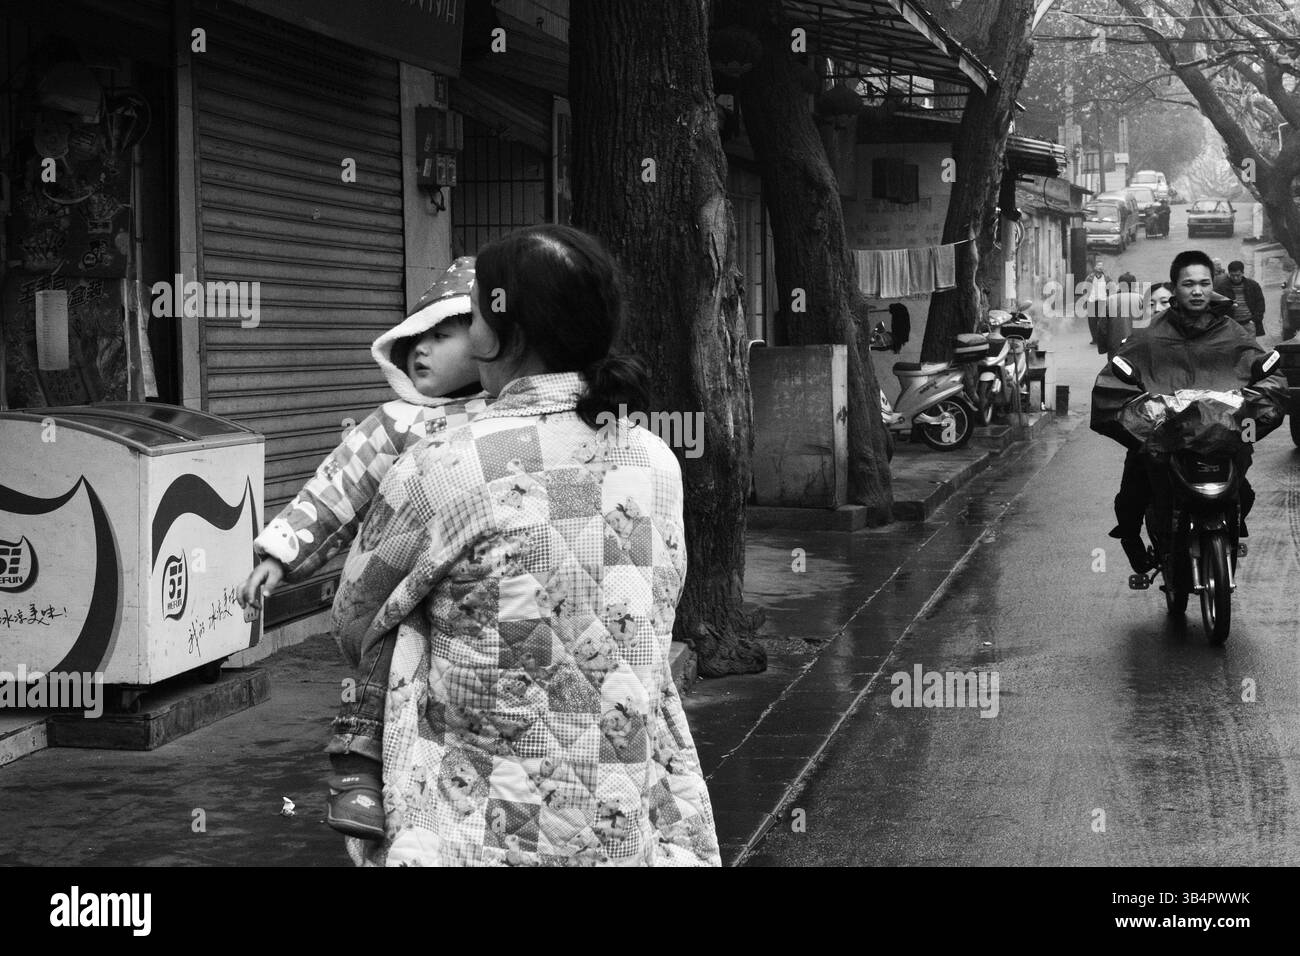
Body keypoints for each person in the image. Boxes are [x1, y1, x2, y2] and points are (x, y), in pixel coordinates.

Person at [331, 224, 720, 866]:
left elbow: (355, 617)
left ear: (497, 332)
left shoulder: (444, 466)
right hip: (622, 809)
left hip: (476, 821)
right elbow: (653, 613)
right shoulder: (653, 462)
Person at [237, 257, 488, 840]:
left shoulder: (508, 413)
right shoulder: (392, 423)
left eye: (442, 334)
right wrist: (280, 554)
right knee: (381, 664)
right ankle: (357, 780)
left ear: (487, 342)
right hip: (398, 589)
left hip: (478, 585)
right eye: (415, 336)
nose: (421, 349)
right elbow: (334, 490)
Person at [1091, 250, 1287, 574]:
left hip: (1223, 436)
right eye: (1188, 284)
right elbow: (1118, 375)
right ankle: (1133, 545)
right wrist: (1144, 417)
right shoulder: (1150, 335)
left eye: (1204, 283)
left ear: (1213, 286)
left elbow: (1264, 371)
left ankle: (1232, 530)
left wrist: (1251, 415)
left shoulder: (1234, 332)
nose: (1197, 291)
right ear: (1175, 288)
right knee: (1133, 492)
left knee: (1245, 489)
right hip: (1166, 438)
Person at [1097, 272, 1145, 359]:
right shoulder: (1141, 299)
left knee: (1115, 369)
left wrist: (1103, 347)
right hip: (1138, 345)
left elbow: (1102, 326)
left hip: (1115, 345)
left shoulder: (1110, 300)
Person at [1214, 259, 1266, 336]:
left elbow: (1260, 303)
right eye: (1232, 275)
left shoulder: (1253, 285)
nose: (1235, 278)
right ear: (1229, 274)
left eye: (1238, 275)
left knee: (1250, 346)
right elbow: (1216, 306)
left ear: (1242, 273)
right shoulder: (1222, 287)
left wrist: (1255, 320)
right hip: (1231, 325)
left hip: (1249, 323)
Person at [1085, 261, 1109, 344]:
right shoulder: (1090, 278)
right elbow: (1085, 289)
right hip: (1092, 301)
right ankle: (1095, 339)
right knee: (1092, 321)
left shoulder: (1107, 278)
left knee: (1102, 321)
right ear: (1095, 267)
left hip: (1103, 302)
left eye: (1101, 266)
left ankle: (1102, 339)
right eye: (1098, 265)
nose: (1100, 267)